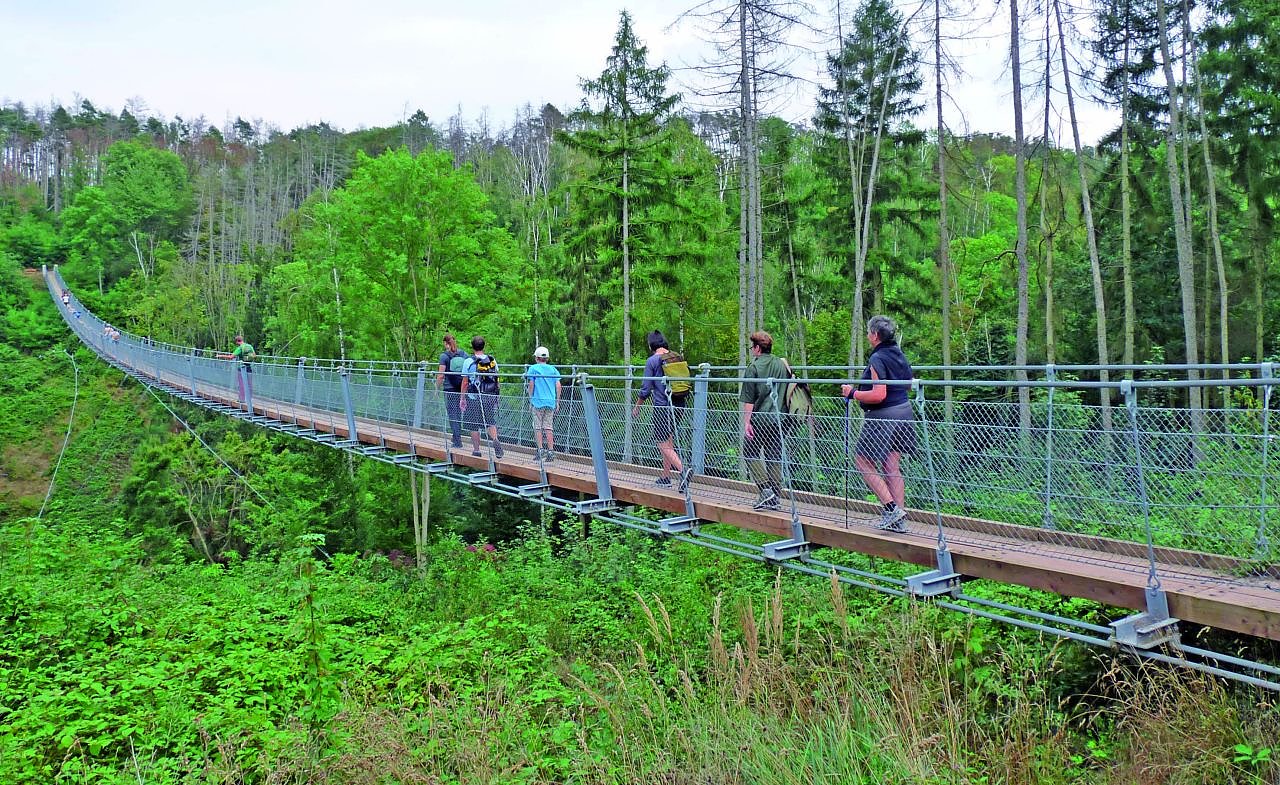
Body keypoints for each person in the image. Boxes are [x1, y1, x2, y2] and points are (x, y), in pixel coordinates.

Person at [841, 315, 916, 532]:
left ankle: (892, 509)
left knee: (862, 461)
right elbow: (908, 385)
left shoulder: (877, 358)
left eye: (868, 333)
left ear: (875, 335)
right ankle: (898, 520)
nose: (867, 336)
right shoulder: (898, 354)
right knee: (891, 465)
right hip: (904, 411)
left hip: (884, 416)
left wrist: (852, 393)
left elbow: (878, 394)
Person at [632, 330, 692, 492]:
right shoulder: (676, 357)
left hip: (662, 407)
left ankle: (683, 470)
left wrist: (637, 406)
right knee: (668, 439)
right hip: (679, 404)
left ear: (651, 345)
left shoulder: (652, 361)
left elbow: (645, 388)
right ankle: (665, 477)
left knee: (661, 441)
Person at [740, 331, 790, 511]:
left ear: (757, 348)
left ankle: (765, 490)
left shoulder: (753, 368)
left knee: (749, 451)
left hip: (761, 419)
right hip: (781, 418)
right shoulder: (781, 364)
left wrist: (747, 422)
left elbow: (749, 399)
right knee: (774, 455)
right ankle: (775, 496)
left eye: (752, 347)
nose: (752, 350)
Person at [460, 336, 504, 459]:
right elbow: (497, 379)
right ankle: (495, 440)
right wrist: (497, 395)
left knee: (473, 424)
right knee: (490, 421)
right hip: (489, 396)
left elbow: (465, 382)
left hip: (473, 396)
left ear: (472, 347)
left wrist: (462, 398)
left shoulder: (468, 361)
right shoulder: (492, 360)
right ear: (483, 346)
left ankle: (476, 450)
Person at [524, 346, 562, 461]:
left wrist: (531, 398)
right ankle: (551, 451)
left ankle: (540, 450)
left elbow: (531, 384)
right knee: (548, 427)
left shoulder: (533, 369)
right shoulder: (553, 369)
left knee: (537, 427)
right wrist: (557, 401)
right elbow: (558, 385)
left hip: (538, 402)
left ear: (536, 358)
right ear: (547, 358)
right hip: (550, 402)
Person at [436, 333, 467, 448]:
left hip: (449, 388)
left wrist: (437, 388)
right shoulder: (463, 354)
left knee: (452, 414)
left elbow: (440, 375)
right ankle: (456, 437)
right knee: (458, 413)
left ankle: (457, 441)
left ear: (445, 343)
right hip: (461, 388)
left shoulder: (444, 356)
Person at [216, 335, 256, 406]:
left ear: (237, 341)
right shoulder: (250, 346)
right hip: (249, 367)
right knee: (249, 384)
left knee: (241, 383)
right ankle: (249, 399)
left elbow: (231, 357)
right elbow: (254, 356)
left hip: (241, 368)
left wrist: (220, 356)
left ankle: (242, 399)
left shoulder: (240, 348)